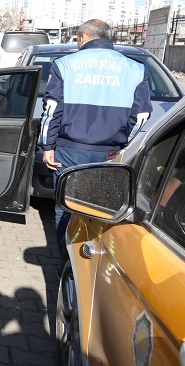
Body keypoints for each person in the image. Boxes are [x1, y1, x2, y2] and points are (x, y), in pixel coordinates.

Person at [40, 19, 152, 257]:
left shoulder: (65, 64)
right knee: (99, 207)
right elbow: (141, 116)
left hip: (69, 150)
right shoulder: (136, 68)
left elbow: (52, 110)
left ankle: (66, 263)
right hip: (111, 152)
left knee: (67, 205)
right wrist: (124, 147)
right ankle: (92, 256)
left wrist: (47, 146)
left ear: (82, 37)